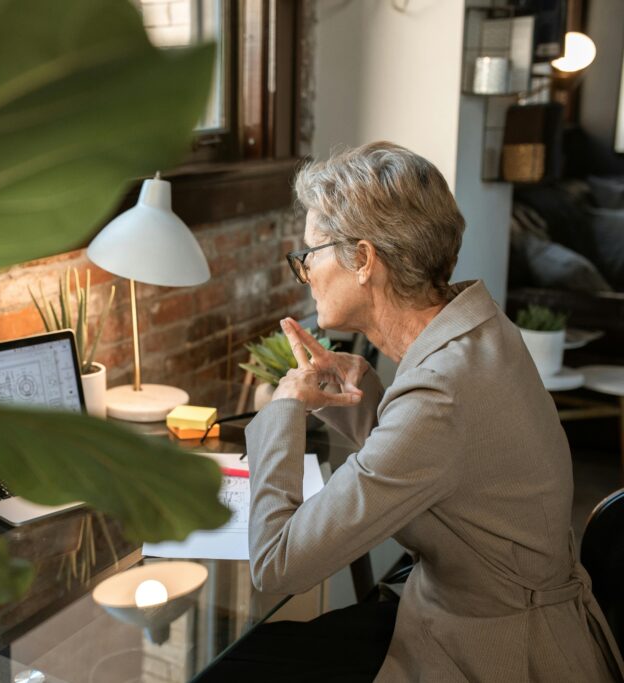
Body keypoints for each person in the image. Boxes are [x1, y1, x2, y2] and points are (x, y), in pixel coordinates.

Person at [200, 142, 624, 681]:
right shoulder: (478, 330)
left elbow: (278, 565)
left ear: (365, 260)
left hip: (495, 653)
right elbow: (447, 468)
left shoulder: (441, 392)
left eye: (310, 254)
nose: (304, 272)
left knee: (232, 668)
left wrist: (283, 409)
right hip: (451, 612)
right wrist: (364, 395)